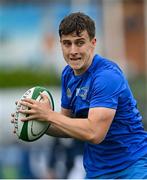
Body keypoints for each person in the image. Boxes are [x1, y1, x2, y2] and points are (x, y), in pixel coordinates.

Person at [11, 12, 147, 179]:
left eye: (79, 43)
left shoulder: (106, 76)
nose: (73, 51)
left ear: (93, 43)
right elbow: (67, 127)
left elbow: (95, 133)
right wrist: (35, 120)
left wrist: (48, 115)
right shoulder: (68, 75)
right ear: (60, 44)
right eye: (67, 44)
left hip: (132, 167)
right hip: (97, 171)